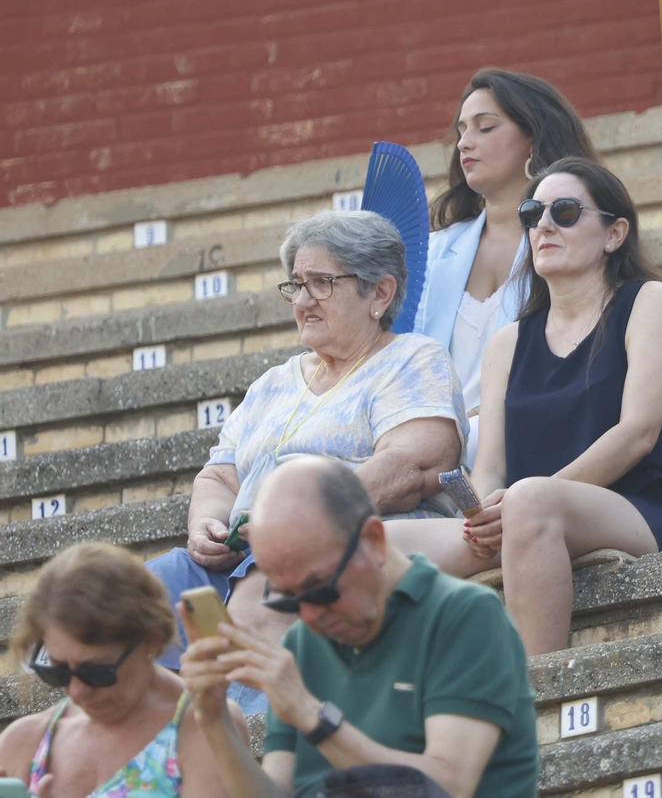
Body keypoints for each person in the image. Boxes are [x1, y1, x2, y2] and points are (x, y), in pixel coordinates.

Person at [388, 157, 662, 652]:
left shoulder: (649, 302)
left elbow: (638, 433)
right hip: (523, 519)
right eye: (532, 214)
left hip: (641, 510)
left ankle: (533, 687)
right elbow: (491, 465)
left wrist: (524, 502)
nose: (543, 225)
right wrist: (485, 511)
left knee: (529, 502)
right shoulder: (507, 342)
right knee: (371, 542)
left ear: (614, 233)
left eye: (564, 212)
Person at [148, 210, 467, 678]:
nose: (302, 301)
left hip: (339, 547)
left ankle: (246, 713)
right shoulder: (272, 383)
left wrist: (298, 521)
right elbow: (219, 475)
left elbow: (416, 464)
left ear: (380, 293)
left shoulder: (411, 360)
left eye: (321, 283)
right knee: (131, 603)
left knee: (262, 594)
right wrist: (207, 527)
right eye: (296, 285)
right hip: (240, 554)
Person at [180, 458, 540, 797]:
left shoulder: (464, 616)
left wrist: (313, 716)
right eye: (289, 599)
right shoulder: (302, 644)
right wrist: (215, 721)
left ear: (373, 541)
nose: (308, 615)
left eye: (319, 589)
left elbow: (448, 786)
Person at [415, 69, 599, 468]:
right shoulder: (432, 251)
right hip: (433, 438)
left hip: (528, 432)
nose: (464, 142)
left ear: (532, 138)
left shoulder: (573, 241)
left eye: (485, 127)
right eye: (462, 130)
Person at [0, 543, 243, 796]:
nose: (76, 691)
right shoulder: (24, 742)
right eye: (57, 671)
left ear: (152, 640)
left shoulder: (207, 726)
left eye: (97, 672)